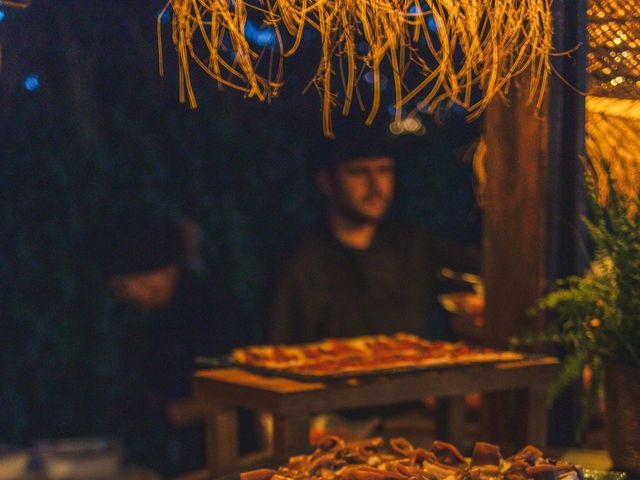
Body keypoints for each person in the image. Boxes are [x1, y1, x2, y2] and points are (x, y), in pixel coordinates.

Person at [268, 134, 480, 345]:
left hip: (413, 373)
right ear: (326, 181)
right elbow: (281, 347)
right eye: (359, 173)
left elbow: (481, 273)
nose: (376, 186)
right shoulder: (300, 262)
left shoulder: (413, 245)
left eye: (384, 171)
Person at [91, 213, 250, 476]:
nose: (122, 297)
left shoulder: (210, 313)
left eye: (122, 287)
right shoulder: (163, 316)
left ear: (152, 277)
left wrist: (165, 417)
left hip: (230, 458)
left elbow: (237, 391)